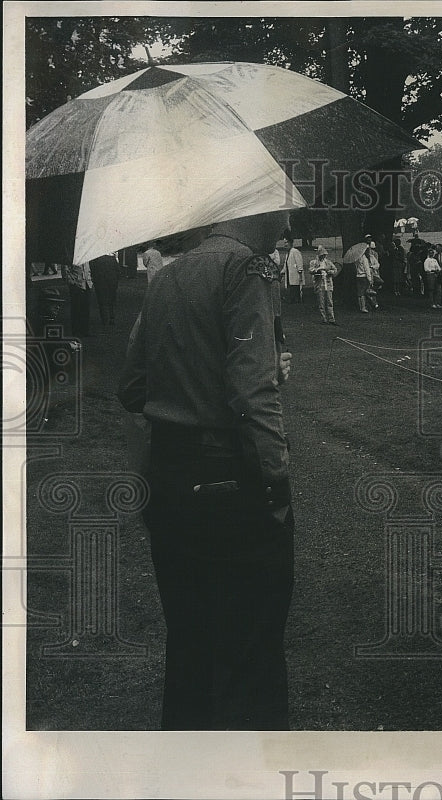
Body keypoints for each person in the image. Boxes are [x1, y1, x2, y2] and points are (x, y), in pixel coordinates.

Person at [117, 209, 295, 730]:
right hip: (230, 481)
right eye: (281, 210)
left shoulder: (168, 274)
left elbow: (131, 388)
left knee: (190, 642)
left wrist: (201, 372)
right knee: (251, 650)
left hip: (170, 479)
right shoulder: (246, 268)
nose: (287, 226)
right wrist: (275, 483)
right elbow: (250, 395)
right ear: (254, 209)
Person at [309, 245, 341, 325]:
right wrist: (317, 271)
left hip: (328, 284)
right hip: (320, 284)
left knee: (329, 302)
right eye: (321, 255)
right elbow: (311, 270)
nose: (323, 256)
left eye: (324, 255)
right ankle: (323, 318)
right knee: (321, 302)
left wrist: (330, 272)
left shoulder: (328, 262)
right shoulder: (314, 262)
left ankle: (331, 318)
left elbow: (335, 269)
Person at [89, 252, 121, 329]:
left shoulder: (94, 260)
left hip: (100, 282)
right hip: (112, 282)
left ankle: (105, 319)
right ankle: (112, 317)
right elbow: (118, 271)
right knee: (111, 300)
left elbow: (92, 272)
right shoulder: (112, 259)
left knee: (102, 301)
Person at [63, 261, 93, 337]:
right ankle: (76, 331)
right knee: (76, 309)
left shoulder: (86, 257)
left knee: (85, 309)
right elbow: (65, 272)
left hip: (87, 284)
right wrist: (73, 283)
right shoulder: (71, 258)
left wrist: (90, 281)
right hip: (77, 285)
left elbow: (88, 270)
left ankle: (85, 330)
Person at [283, 236, 304, 303]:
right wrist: (282, 272)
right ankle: (292, 301)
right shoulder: (288, 253)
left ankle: (296, 301)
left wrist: (300, 275)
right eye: (284, 243)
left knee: (295, 291)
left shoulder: (295, 251)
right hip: (289, 276)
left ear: (290, 243)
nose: (285, 244)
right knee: (291, 290)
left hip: (295, 277)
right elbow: (286, 265)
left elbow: (299, 263)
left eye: (286, 242)